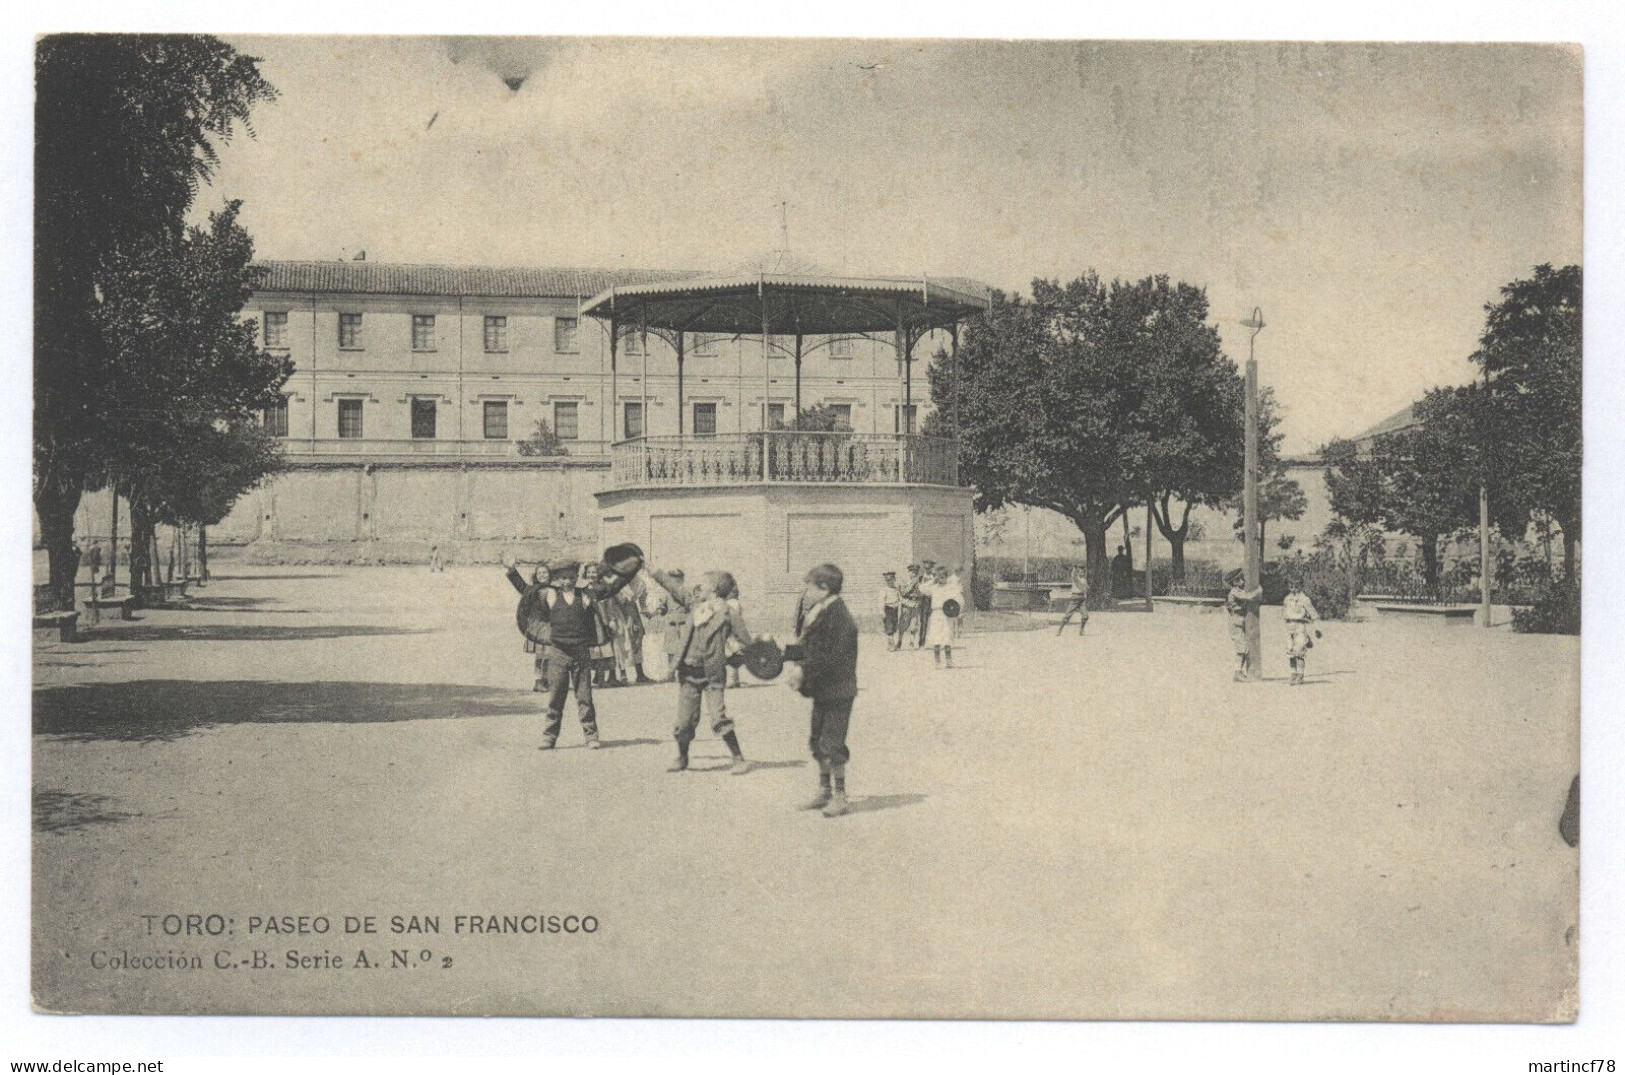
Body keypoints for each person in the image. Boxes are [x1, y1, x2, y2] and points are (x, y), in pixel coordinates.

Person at [648, 566, 756, 775]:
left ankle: (738, 758)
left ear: (714, 590)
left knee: (718, 718)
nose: (699, 588)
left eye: (704, 585)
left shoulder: (729, 613)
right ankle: (682, 756)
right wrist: (654, 571)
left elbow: (745, 640)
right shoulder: (696, 605)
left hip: (712, 674)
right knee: (684, 722)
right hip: (689, 673)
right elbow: (674, 587)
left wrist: (753, 652)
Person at [784, 563, 860, 818]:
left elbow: (830, 656)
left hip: (838, 690)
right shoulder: (822, 610)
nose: (805, 592)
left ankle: (840, 796)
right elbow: (810, 646)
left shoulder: (839, 616)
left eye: (809, 586)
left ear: (825, 588)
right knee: (818, 740)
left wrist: (803, 670)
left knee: (833, 742)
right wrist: (781, 654)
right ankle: (824, 790)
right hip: (824, 689)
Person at [507, 558, 606, 749]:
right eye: (562, 578)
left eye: (570, 577)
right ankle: (549, 736)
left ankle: (591, 735)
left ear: (577, 577)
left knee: (584, 697)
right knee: (556, 696)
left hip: (581, 652)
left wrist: (625, 567)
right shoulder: (549, 595)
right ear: (556, 579)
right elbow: (525, 590)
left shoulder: (585, 594)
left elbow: (610, 588)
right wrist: (512, 570)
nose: (566, 582)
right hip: (558, 653)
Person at [1225, 568, 1264, 682]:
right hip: (1236, 623)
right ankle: (1237, 672)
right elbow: (1248, 596)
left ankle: (1239, 672)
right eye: (1239, 579)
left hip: (1240, 622)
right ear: (1234, 582)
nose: (1243, 581)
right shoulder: (1234, 591)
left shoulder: (1239, 590)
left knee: (1244, 647)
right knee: (1242, 648)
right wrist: (1258, 590)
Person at [1283, 578, 1322, 686]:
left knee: (1299, 651)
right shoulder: (1287, 599)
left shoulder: (1304, 599)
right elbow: (1285, 613)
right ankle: (1293, 674)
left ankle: (1300, 675)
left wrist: (1317, 629)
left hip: (1299, 626)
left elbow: (1313, 614)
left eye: (1296, 585)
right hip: (1289, 627)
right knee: (1290, 651)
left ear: (1300, 586)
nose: (1293, 588)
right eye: (1291, 585)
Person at [924, 564, 964, 668]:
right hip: (936, 614)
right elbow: (921, 589)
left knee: (947, 636)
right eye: (938, 577)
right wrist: (932, 581)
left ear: (946, 577)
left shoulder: (951, 588)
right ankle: (937, 661)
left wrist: (958, 611)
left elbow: (959, 600)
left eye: (942, 577)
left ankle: (948, 661)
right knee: (936, 637)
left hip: (948, 614)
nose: (940, 579)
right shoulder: (933, 588)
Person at [1057, 563, 1089, 635]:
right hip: (1075, 599)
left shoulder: (1084, 580)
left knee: (1085, 616)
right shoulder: (1075, 578)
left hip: (1082, 599)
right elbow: (1073, 574)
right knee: (1067, 616)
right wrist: (1074, 568)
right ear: (1078, 572)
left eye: (1084, 571)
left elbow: (1086, 588)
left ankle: (1081, 630)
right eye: (1081, 571)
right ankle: (1059, 630)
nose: (1083, 573)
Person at [895, 565, 922, 648]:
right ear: (909, 572)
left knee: (914, 625)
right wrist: (905, 602)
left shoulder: (920, 582)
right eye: (912, 572)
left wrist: (918, 601)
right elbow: (901, 593)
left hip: (915, 604)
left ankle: (912, 642)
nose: (914, 573)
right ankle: (899, 642)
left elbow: (922, 593)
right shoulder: (904, 582)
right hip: (906, 605)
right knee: (903, 624)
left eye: (916, 572)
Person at [879, 570, 903, 650]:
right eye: (887, 580)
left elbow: (900, 598)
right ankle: (892, 645)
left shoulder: (896, 589)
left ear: (894, 579)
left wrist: (900, 604)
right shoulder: (884, 590)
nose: (889, 582)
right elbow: (881, 601)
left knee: (894, 626)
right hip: (888, 609)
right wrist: (882, 611)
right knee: (889, 627)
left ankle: (889, 644)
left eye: (890, 580)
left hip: (895, 609)